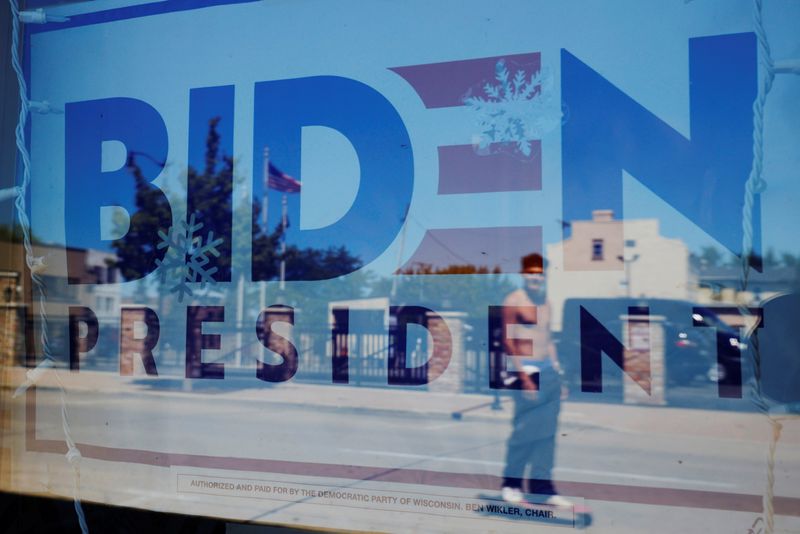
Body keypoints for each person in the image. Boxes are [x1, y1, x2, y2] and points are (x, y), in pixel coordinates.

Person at [500, 253, 571, 507]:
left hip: (549, 373)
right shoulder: (514, 301)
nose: (536, 277)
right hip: (526, 371)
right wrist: (523, 377)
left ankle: (542, 488)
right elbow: (508, 341)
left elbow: (549, 340)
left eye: (540, 273)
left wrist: (558, 375)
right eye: (531, 272)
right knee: (525, 432)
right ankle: (511, 485)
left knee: (547, 435)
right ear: (523, 274)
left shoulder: (547, 303)